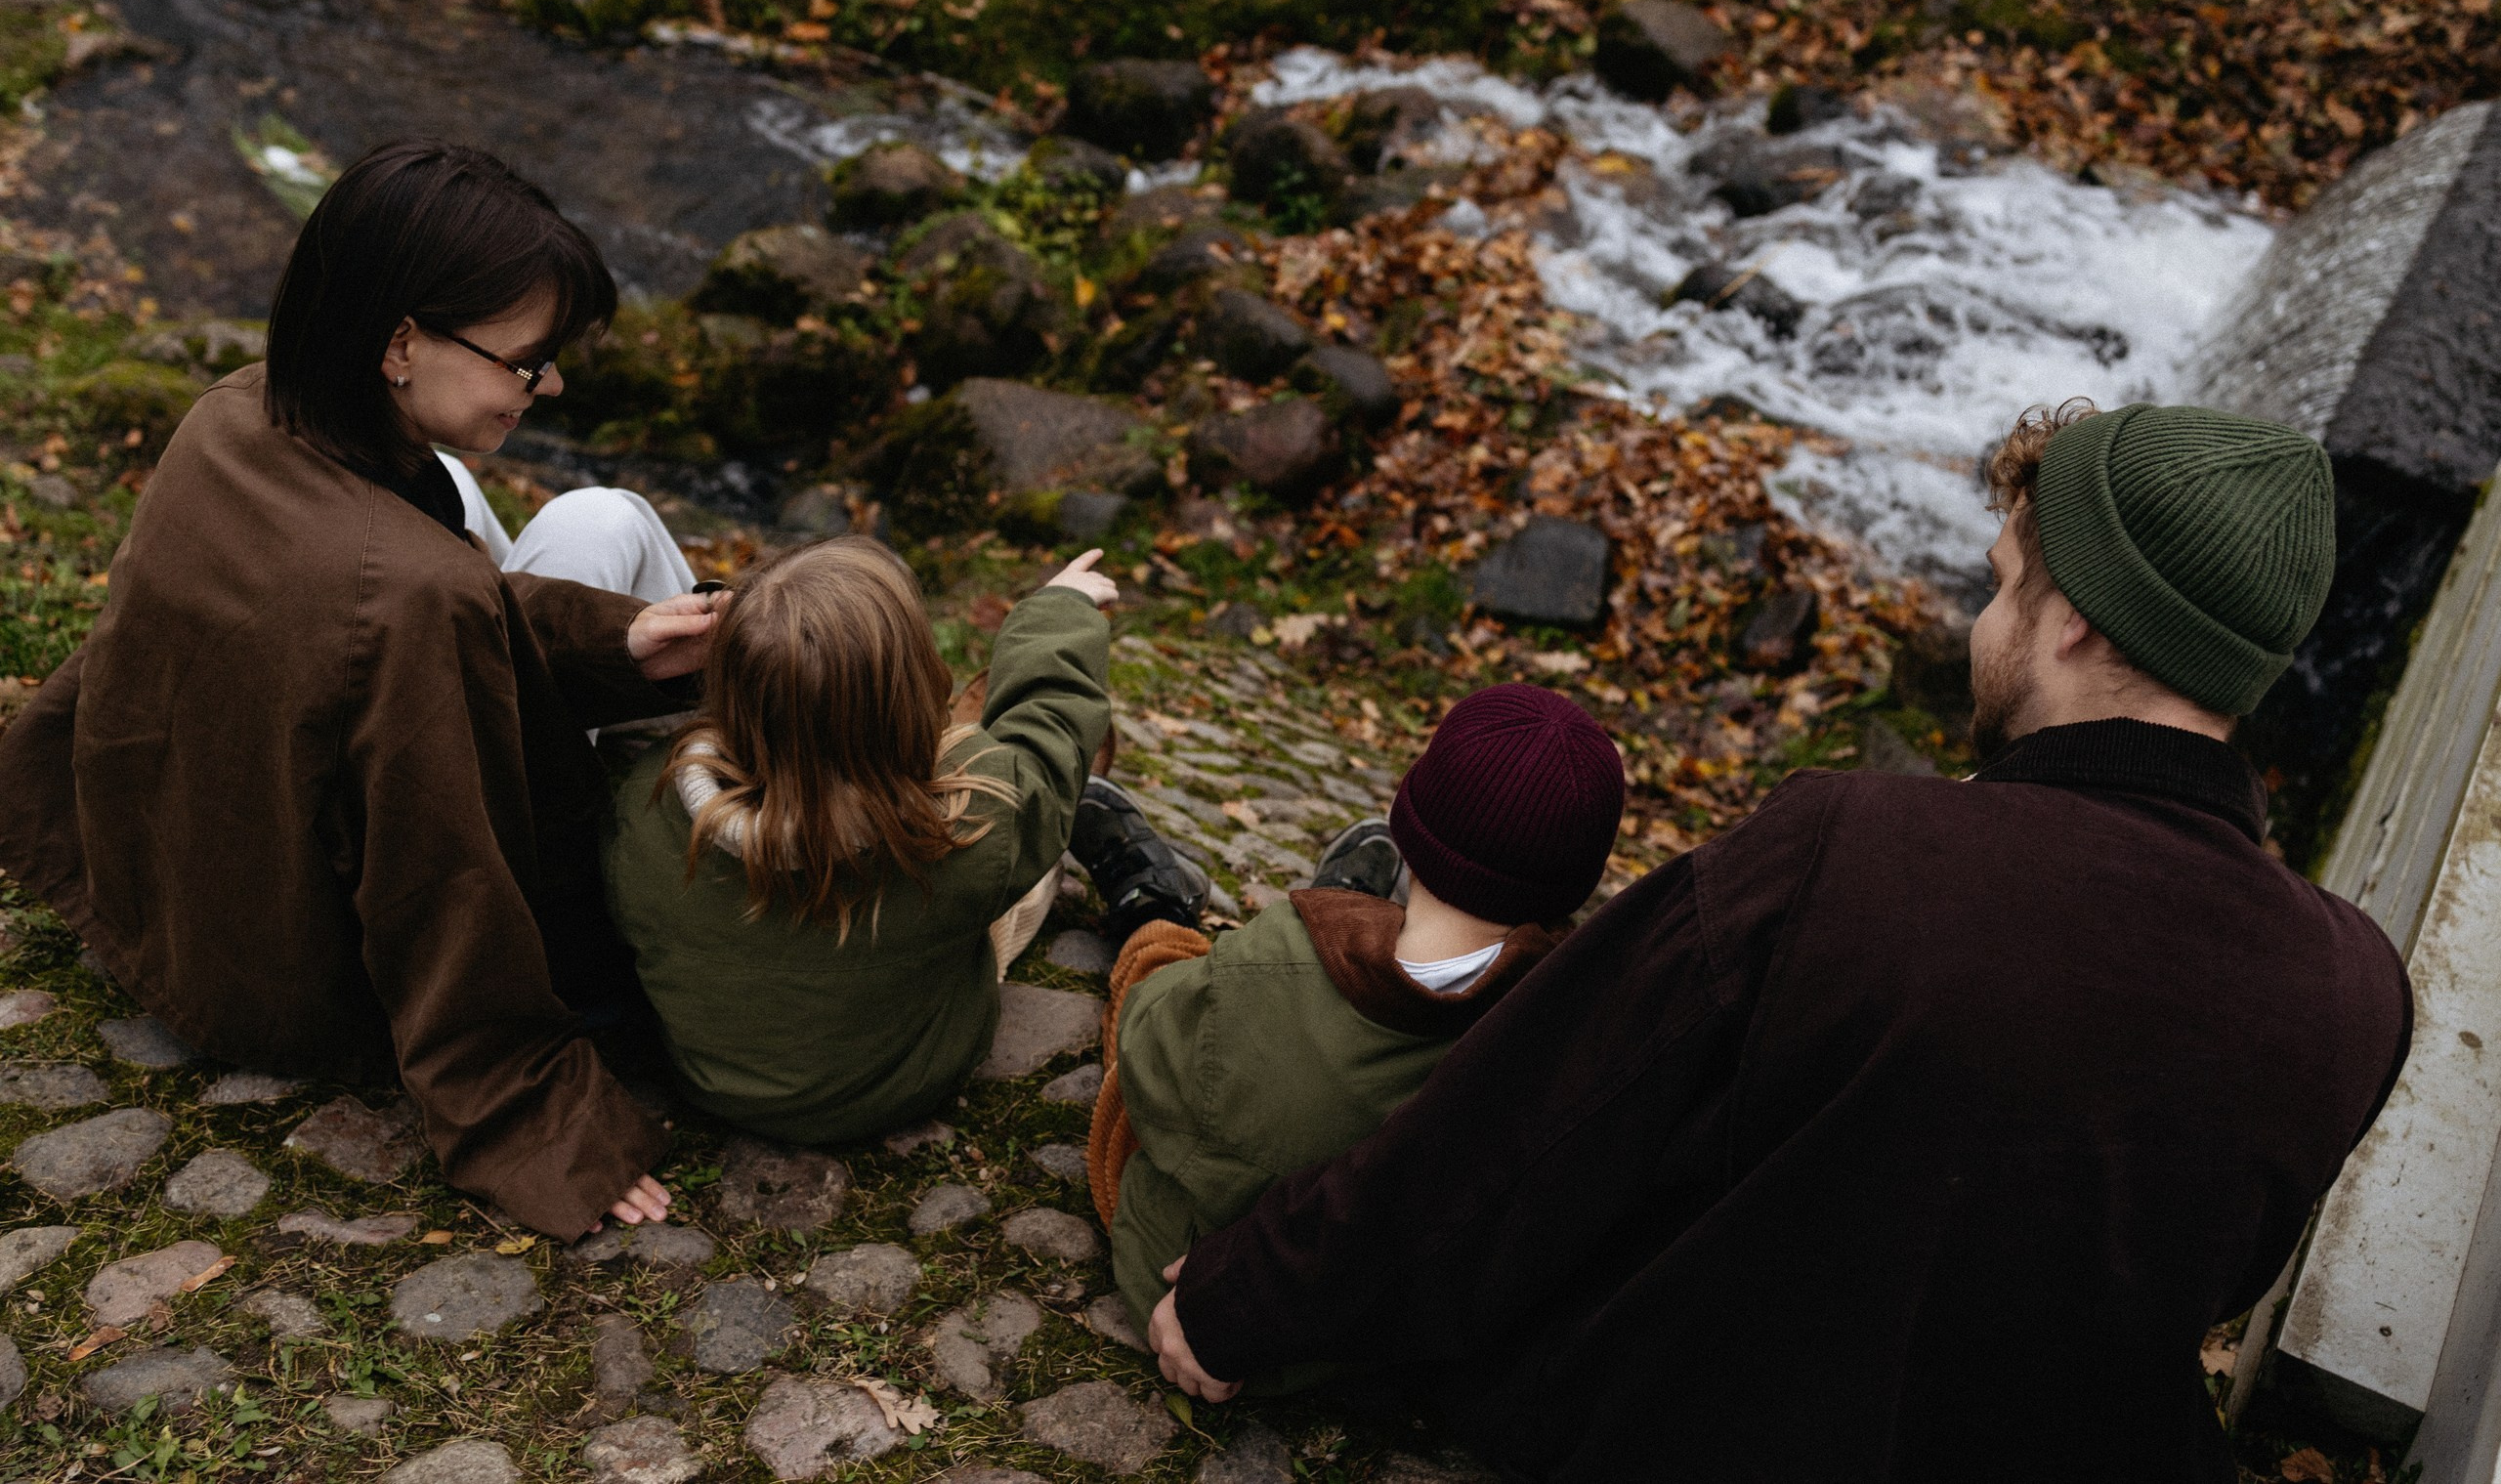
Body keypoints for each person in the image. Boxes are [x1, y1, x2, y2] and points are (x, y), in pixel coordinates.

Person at [1146, 402, 2414, 1483]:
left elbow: (1530, 1124)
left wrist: (1247, 1295)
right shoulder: (2356, 989)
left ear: (2074, 619)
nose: (1982, 626)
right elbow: (2200, 1268)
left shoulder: (1852, 850)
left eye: (1999, 584)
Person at [0, 139, 728, 1240]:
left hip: (169, 884)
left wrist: (617, 640)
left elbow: (358, 624)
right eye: (528, 361)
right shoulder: (412, 598)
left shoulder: (239, 415)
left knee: (607, 521)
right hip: (282, 973)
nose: (550, 384)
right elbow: (443, 876)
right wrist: (529, 1104)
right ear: (401, 342)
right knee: (614, 559)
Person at [1086, 684, 1621, 1377]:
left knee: (1160, 975)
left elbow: (1147, 1047)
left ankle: (1150, 900)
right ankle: (1350, 899)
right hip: (1347, 1346)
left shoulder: (1270, 957)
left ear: (1412, 822)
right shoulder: (1556, 1034)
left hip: (1177, 1276)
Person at [603, 535, 1206, 1145]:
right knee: (1016, 847)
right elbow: (1049, 751)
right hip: (898, 1082)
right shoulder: (977, 823)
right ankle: (988, 754)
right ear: (914, 695)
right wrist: (1056, 613)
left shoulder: (645, 802)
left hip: (716, 1084)